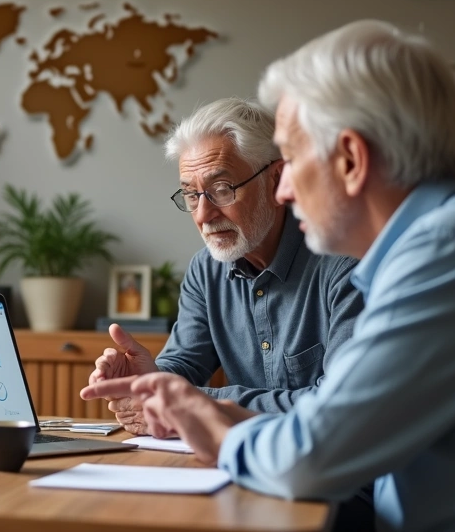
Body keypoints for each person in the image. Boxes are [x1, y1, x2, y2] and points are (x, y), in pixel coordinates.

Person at [83, 20, 455, 532]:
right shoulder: (453, 239)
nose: (283, 188)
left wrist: (212, 420)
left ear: (350, 159)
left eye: (294, 160)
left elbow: (313, 453)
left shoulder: (449, 251)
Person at [89, 98, 364, 433]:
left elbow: (337, 407)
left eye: (222, 189)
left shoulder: (346, 262)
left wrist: (192, 404)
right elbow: (185, 362)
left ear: (276, 180)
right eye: (191, 195)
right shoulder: (206, 271)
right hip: (243, 465)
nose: (203, 215)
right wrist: (147, 382)